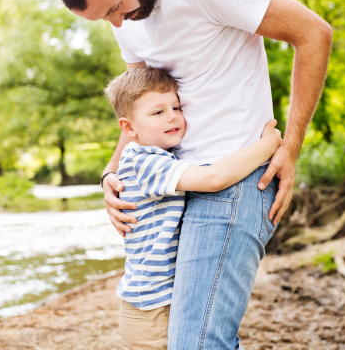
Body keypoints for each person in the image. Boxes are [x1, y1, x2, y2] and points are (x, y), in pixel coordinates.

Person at [49, 0, 332, 348]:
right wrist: (112, 172)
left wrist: (291, 144)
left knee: (199, 343)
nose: (116, 23)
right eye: (104, 18)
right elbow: (139, 104)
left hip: (236, 180)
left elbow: (313, 33)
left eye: (115, 7)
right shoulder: (123, 15)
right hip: (177, 187)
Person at [104, 66, 281, 349]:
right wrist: (269, 144)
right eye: (158, 112)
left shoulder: (161, 156)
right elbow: (214, 178)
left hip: (155, 302)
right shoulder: (145, 162)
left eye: (176, 106)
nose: (172, 116)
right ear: (129, 128)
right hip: (152, 310)